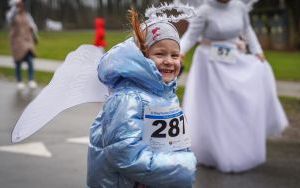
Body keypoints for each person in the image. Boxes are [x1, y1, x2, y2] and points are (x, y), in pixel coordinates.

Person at [87, 8, 197, 188]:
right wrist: (180, 166)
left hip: (156, 178)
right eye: (160, 54)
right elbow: (124, 152)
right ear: (143, 57)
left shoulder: (165, 92)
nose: (169, 61)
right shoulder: (127, 98)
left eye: (174, 55)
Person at [180, 0, 288, 173]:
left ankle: (237, 147)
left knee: (236, 106)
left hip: (234, 58)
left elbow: (247, 30)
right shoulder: (204, 11)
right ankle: (213, 151)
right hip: (210, 64)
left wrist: (257, 50)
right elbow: (191, 36)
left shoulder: (239, 7)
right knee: (217, 109)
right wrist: (179, 52)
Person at [6, 0, 38, 90]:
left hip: (28, 41)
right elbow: (9, 19)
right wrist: (15, 8)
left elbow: (33, 25)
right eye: (19, 3)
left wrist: (33, 29)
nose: (21, 5)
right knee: (18, 62)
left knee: (30, 60)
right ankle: (19, 81)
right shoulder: (11, 14)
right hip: (17, 42)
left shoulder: (27, 15)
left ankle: (31, 80)